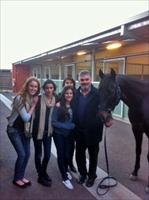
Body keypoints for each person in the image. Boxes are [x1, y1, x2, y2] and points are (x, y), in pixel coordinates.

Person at [7, 77, 40, 188]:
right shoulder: (20, 98)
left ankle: (21, 176)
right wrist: (34, 105)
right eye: (31, 86)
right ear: (27, 86)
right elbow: (26, 117)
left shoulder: (33, 98)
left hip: (25, 131)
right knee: (22, 154)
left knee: (27, 154)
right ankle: (17, 179)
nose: (33, 88)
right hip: (14, 130)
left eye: (35, 86)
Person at [72, 70, 103, 187]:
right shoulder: (75, 93)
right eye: (82, 80)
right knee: (79, 155)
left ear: (90, 80)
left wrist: (108, 118)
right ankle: (83, 174)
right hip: (79, 131)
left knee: (93, 156)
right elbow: (63, 97)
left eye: (86, 80)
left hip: (94, 132)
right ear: (79, 81)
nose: (84, 82)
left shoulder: (98, 94)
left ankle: (91, 176)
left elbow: (106, 106)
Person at [32, 80, 57, 187]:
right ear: (43, 89)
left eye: (51, 88)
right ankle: (40, 175)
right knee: (38, 154)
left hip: (48, 133)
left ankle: (43, 171)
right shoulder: (37, 99)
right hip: (37, 132)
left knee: (47, 154)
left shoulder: (56, 100)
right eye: (47, 88)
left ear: (54, 89)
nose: (49, 90)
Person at [52, 86, 75, 190]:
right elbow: (54, 122)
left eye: (71, 93)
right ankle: (65, 178)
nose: (69, 95)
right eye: (67, 93)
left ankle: (65, 170)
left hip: (69, 135)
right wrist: (68, 126)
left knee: (67, 155)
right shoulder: (58, 106)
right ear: (63, 94)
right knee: (61, 155)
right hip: (59, 134)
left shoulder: (74, 105)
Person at [61, 77, 76, 173]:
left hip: (73, 130)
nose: (69, 84)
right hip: (62, 130)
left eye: (71, 83)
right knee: (64, 149)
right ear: (64, 84)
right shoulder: (60, 97)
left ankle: (70, 163)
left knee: (71, 148)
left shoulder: (76, 97)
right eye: (67, 82)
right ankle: (64, 166)